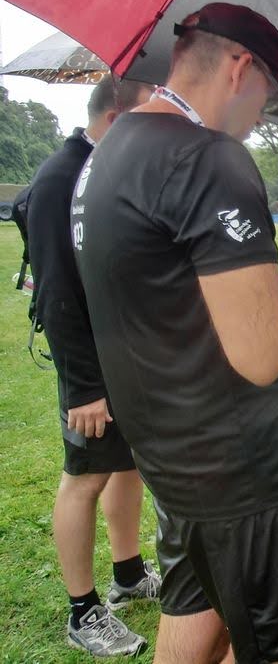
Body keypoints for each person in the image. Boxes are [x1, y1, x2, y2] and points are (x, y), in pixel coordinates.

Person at [71, 2, 278, 663]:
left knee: (198, 615)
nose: (261, 120)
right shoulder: (208, 159)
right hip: (245, 468)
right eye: (267, 100)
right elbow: (259, 355)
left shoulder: (109, 153)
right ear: (239, 67)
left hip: (174, 455)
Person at [26, 75, 158, 657]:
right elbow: (56, 291)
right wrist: (83, 387)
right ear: (117, 117)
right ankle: (83, 612)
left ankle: (128, 575)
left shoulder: (103, 171)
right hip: (91, 367)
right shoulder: (60, 178)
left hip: (125, 355)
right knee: (84, 478)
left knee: (125, 466)